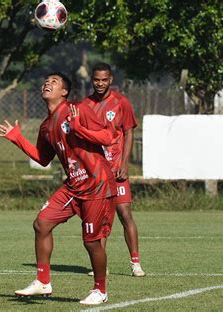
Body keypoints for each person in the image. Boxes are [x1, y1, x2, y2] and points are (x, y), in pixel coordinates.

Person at [0, 72, 117, 305]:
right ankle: (43, 281)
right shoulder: (46, 126)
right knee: (41, 224)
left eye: (54, 81)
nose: (47, 83)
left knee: (91, 241)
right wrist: (17, 138)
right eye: (45, 80)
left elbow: (108, 136)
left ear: (64, 92)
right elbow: (43, 158)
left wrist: (79, 129)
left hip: (96, 184)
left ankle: (100, 290)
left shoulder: (77, 110)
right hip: (73, 187)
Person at [80, 62, 145, 277]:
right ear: (92, 80)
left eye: (104, 80)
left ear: (111, 80)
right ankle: (101, 265)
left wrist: (124, 164)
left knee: (124, 213)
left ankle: (135, 263)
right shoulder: (85, 105)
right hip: (97, 172)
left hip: (117, 170)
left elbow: (128, 133)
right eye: (96, 80)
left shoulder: (121, 103)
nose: (100, 83)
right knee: (100, 218)